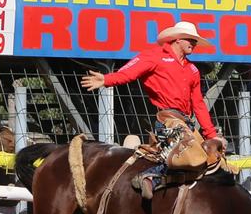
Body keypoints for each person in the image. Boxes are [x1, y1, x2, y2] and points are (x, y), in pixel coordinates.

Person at [80, 21, 222, 200]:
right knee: (189, 152)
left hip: (185, 121)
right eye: (190, 40)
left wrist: (211, 135)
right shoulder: (154, 56)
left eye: (194, 41)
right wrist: (106, 80)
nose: (193, 44)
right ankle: (151, 176)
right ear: (177, 39)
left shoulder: (192, 69)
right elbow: (128, 73)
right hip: (169, 120)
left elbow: (199, 104)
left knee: (210, 156)